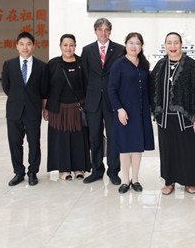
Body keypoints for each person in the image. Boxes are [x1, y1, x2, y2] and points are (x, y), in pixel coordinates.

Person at [150, 32, 195, 195]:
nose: (173, 46)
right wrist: (155, 110)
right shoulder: (160, 65)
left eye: (176, 43)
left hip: (186, 118)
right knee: (168, 150)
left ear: (181, 44)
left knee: (187, 150)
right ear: (165, 45)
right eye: (169, 43)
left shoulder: (192, 66)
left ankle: (189, 181)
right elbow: (152, 90)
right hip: (165, 118)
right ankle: (170, 181)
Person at [108, 32, 155, 194]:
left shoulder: (144, 64)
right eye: (131, 43)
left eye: (137, 43)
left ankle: (135, 180)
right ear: (125, 45)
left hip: (140, 111)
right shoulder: (118, 64)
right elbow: (111, 89)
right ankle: (125, 180)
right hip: (124, 111)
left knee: (137, 146)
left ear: (141, 46)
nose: (134, 46)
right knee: (124, 146)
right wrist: (119, 109)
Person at [81, 18, 125, 185]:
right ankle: (96, 170)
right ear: (95, 31)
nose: (103, 33)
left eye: (106, 29)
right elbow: (85, 76)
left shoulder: (120, 49)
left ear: (110, 31)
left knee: (114, 137)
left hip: (112, 101)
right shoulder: (87, 50)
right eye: (100, 29)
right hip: (93, 101)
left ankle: (113, 171)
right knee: (95, 137)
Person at [1, 31, 48, 186]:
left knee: (34, 142)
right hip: (14, 111)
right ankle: (18, 172)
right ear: (16, 46)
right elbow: (6, 87)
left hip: (33, 110)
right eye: (21, 44)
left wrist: (43, 108)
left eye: (28, 44)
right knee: (15, 142)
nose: (25, 47)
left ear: (33, 46)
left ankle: (33, 172)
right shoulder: (9, 65)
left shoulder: (42, 66)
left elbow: (44, 90)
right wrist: (18, 99)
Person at [43, 34, 91, 181]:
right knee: (60, 139)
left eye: (71, 45)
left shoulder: (82, 63)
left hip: (78, 109)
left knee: (78, 138)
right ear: (60, 46)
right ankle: (63, 170)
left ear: (75, 46)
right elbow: (45, 88)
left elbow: (88, 85)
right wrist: (44, 108)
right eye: (65, 45)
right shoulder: (53, 64)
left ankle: (78, 168)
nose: (68, 48)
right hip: (58, 110)